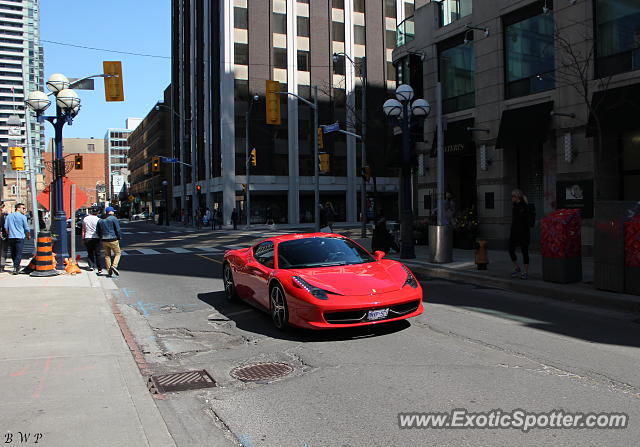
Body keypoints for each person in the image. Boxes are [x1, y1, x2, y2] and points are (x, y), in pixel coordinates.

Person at [509, 189, 531, 280]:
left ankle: (525, 272)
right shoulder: (514, 206)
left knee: (524, 251)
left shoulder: (524, 206)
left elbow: (527, 221)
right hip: (514, 232)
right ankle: (517, 267)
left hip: (524, 232)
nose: (511, 198)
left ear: (517, 197)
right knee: (510, 249)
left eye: (513, 196)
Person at [3, 203, 31, 275]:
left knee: (13, 252)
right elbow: (26, 228)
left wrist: (9, 233)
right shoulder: (23, 217)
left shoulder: (9, 216)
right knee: (19, 252)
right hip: (20, 236)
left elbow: (6, 227)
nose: (24, 209)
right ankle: (16, 267)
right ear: (18, 208)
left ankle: (16, 265)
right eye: (23, 208)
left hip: (11, 236)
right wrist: (28, 235)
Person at [96, 206, 122, 278]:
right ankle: (114, 266)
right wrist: (119, 237)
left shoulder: (100, 220)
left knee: (107, 255)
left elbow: (98, 231)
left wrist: (101, 237)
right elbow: (117, 229)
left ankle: (109, 271)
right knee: (118, 253)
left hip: (104, 240)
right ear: (110, 212)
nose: (114, 212)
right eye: (113, 211)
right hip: (113, 238)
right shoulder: (113, 218)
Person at [82, 207, 102, 274]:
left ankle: (91, 266)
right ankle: (99, 268)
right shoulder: (99, 220)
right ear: (98, 212)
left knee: (90, 253)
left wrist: (83, 238)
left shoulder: (85, 218)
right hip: (96, 237)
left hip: (87, 237)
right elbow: (100, 230)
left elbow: (84, 230)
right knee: (97, 253)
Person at [0, 201, 8, 273]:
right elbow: (5, 226)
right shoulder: (4, 215)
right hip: (3, 235)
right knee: (3, 250)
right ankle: (1, 266)